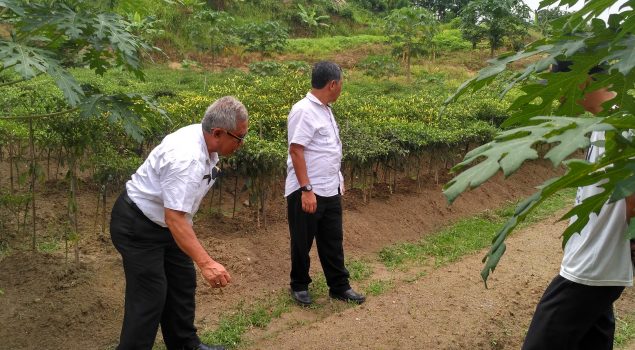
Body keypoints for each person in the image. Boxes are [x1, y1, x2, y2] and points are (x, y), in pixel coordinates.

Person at [109, 96, 248, 350]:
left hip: (164, 224)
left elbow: (175, 217)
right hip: (138, 226)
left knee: (182, 284)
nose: (241, 143)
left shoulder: (205, 140)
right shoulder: (187, 158)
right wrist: (207, 263)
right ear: (217, 132)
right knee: (150, 296)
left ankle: (185, 345)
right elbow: (175, 218)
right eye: (239, 137)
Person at [522, 62, 634, 349]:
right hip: (596, 266)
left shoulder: (623, 126)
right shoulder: (601, 125)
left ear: (581, 79)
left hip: (591, 269)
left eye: (558, 85)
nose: (558, 95)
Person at [285, 61, 365, 306]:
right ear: (332, 84)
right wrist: (307, 190)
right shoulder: (303, 110)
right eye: (341, 84)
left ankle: (339, 286)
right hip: (308, 190)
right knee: (302, 241)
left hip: (330, 189)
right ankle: (299, 285)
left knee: (333, 240)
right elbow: (296, 151)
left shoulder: (325, 109)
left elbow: (326, 150)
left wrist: (337, 180)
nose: (341, 88)